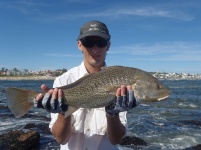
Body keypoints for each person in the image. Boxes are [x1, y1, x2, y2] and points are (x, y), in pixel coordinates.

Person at [35, 20, 138, 150]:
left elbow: (115, 140)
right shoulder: (63, 80)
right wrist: (63, 113)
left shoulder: (120, 82)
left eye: (100, 43)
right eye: (88, 43)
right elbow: (61, 139)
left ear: (108, 45)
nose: (95, 49)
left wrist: (113, 114)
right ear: (80, 45)